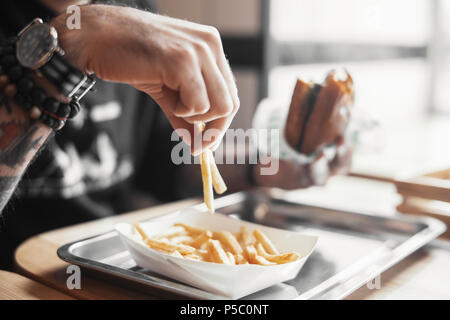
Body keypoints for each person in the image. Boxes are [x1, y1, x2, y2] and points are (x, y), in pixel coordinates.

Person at [0, 0, 352, 270]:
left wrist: (265, 167)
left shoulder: (133, 11)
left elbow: (168, 163)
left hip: (111, 268)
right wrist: (73, 44)